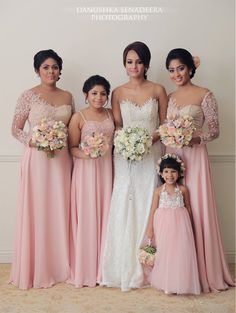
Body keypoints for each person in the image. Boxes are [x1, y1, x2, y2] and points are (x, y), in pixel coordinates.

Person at [165, 48, 234, 292]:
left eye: (180, 68)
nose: (176, 74)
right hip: (173, 156)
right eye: (171, 70)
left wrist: (192, 139)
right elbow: (166, 128)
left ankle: (205, 269)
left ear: (190, 68)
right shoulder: (170, 97)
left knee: (197, 207)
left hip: (195, 156)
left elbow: (214, 130)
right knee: (176, 209)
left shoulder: (205, 94)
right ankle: (179, 268)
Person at [102, 41, 168, 291]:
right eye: (130, 62)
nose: (134, 66)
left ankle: (151, 263)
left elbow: (165, 124)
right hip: (125, 156)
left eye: (139, 61)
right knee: (125, 201)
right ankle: (122, 265)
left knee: (148, 200)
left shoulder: (159, 89)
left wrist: (147, 140)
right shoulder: (117, 92)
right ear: (124, 64)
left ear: (147, 64)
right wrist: (128, 144)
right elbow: (118, 127)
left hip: (151, 154)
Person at [10, 49, 74, 289]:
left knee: (61, 208)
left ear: (60, 70)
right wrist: (37, 141)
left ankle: (60, 265)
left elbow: (72, 128)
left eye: (55, 67)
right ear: (37, 70)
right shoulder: (27, 95)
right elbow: (15, 129)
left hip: (62, 160)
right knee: (38, 209)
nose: (51, 71)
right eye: (46, 67)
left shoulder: (68, 96)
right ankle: (37, 266)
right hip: (37, 159)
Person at [68, 75, 115, 287]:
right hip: (86, 170)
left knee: (107, 212)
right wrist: (88, 155)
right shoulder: (78, 117)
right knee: (88, 213)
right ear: (86, 95)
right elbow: (72, 148)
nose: (99, 97)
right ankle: (86, 268)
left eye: (103, 93)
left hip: (107, 169)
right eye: (94, 93)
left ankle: (104, 268)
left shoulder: (112, 114)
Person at [146, 154, 200, 295]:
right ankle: (167, 283)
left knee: (180, 252)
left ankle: (180, 282)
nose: (170, 175)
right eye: (166, 171)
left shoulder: (182, 189)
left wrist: (190, 226)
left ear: (179, 173)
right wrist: (150, 228)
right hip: (163, 224)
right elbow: (153, 209)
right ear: (161, 173)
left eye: (173, 171)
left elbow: (188, 208)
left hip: (181, 224)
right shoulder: (158, 191)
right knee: (166, 251)